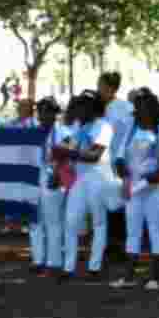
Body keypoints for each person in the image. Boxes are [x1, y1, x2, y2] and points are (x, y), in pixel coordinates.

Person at [111, 91, 159, 291]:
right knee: (132, 230)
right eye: (137, 108)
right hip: (134, 187)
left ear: (152, 109)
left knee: (155, 228)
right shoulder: (130, 130)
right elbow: (120, 158)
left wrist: (155, 176)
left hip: (157, 187)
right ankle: (128, 276)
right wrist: (125, 178)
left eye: (143, 107)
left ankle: (155, 278)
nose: (140, 112)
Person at [54, 91, 114, 280]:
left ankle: (94, 268)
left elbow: (94, 156)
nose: (79, 109)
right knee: (71, 221)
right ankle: (68, 267)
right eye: (78, 105)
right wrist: (66, 151)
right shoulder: (79, 127)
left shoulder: (104, 127)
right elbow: (61, 149)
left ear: (93, 107)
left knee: (98, 223)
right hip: (80, 179)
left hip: (98, 178)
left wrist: (71, 152)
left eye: (82, 105)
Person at [99, 72, 134, 270]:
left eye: (101, 86)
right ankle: (106, 243)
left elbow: (129, 134)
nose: (99, 90)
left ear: (111, 88)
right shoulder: (98, 108)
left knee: (120, 204)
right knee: (105, 203)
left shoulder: (125, 108)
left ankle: (119, 244)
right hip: (101, 163)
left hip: (119, 161)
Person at [29, 97, 68, 275]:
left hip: (54, 177)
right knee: (35, 220)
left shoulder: (64, 133)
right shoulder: (32, 132)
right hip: (35, 177)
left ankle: (54, 262)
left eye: (47, 111)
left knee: (53, 221)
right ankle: (38, 259)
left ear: (55, 113)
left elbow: (67, 159)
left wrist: (58, 175)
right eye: (40, 111)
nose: (43, 115)